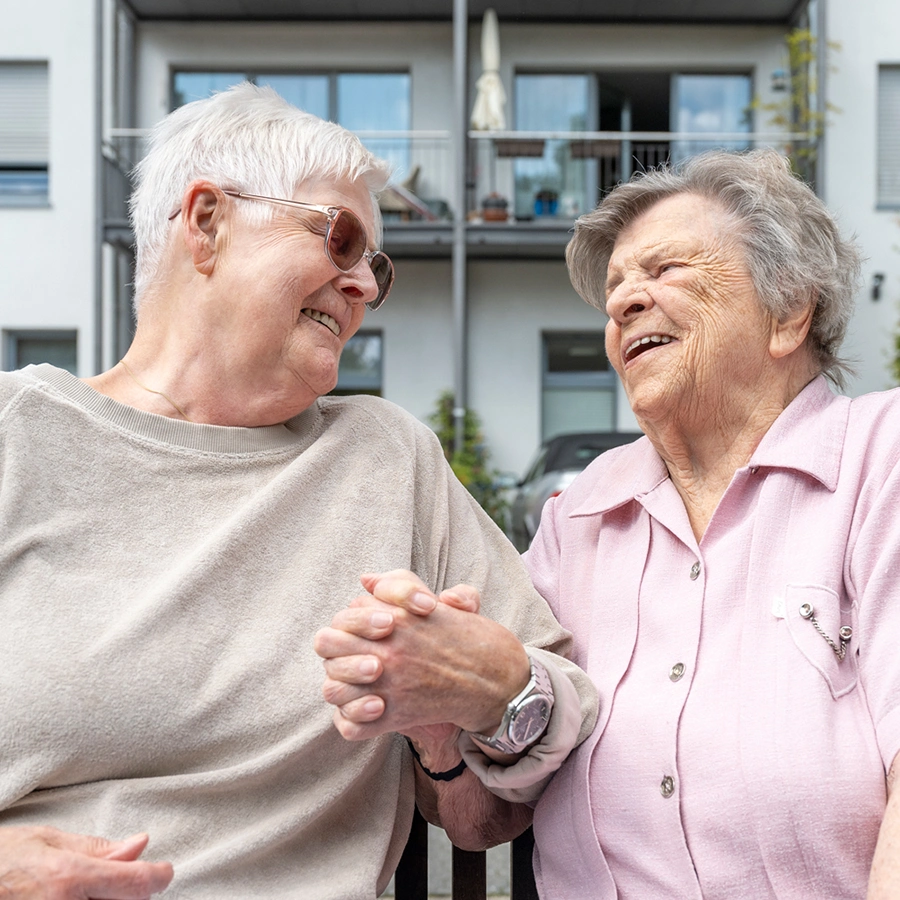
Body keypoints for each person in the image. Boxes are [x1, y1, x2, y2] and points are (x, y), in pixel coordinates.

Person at [0, 82, 597, 899]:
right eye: (339, 238)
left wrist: (472, 709)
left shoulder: (385, 460)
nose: (363, 286)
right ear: (206, 221)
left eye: (374, 267)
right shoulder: (15, 434)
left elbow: (485, 815)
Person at [322, 149, 900, 898]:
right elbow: (479, 822)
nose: (624, 303)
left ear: (790, 312)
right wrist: (444, 728)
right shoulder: (580, 514)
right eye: (616, 289)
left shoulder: (879, 461)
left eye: (666, 272)